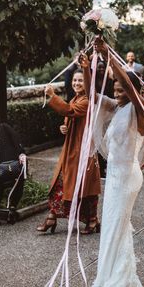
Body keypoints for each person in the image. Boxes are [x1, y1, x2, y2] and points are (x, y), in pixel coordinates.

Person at [87, 39, 144, 287]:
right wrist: (87, 66)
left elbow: (130, 87)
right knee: (114, 228)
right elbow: (93, 95)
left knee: (116, 227)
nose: (117, 92)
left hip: (127, 177)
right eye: (115, 89)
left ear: (133, 91)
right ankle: (116, 275)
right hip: (113, 175)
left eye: (121, 89)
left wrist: (108, 55)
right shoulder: (117, 107)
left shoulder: (140, 109)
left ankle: (115, 280)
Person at [40, 69, 101, 234]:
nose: (76, 83)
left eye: (80, 80)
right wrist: (65, 127)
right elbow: (70, 115)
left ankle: (93, 220)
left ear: (87, 83)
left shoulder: (87, 100)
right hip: (72, 148)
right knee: (61, 182)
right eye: (75, 80)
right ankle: (52, 216)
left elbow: (69, 110)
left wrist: (53, 96)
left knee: (85, 186)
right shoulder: (76, 98)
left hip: (83, 149)